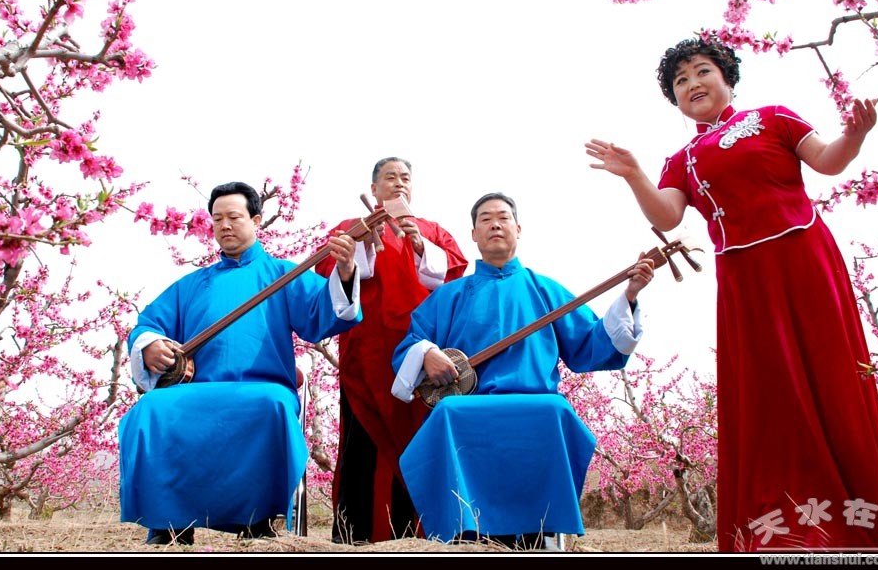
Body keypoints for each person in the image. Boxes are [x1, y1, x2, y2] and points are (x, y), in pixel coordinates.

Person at [584, 37, 878, 552]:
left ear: (728, 79)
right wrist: (634, 175)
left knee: (831, 375)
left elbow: (828, 161)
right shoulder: (682, 159)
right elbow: (666, 216)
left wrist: (854, 134)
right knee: (767, 391)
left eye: (702, 71)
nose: (692, 84)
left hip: (804, 260)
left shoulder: (775, 119)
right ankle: (787, 525)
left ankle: (860, 524)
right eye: (680, 81)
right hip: (744, 279)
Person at [390, 192, 655, 549]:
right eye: (485, 219)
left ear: (518, 228)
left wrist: (630, 296)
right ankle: (463, 534)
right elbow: (411, 343)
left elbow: (589, 344)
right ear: (473, 234)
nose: (495, 225)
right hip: (468, 405)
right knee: (448, 412)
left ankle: (543, 533)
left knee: (555, 409)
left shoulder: (545, 290)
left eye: (503, 217)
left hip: (535, 401)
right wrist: (426, 353)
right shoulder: (449, 295)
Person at [119, 181, 362, 546]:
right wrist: (150, 345)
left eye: (233, 216)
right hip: (198, 389)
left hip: (262, 386)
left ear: (256, 220)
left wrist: (343, 273)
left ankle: (257, 521)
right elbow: (148, 324)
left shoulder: (284, 274)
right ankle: (169, 524)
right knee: (151, 408)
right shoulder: (192, 284)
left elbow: (323, 314)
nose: (225, 225)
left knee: (272, 405)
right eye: (217, 219)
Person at [314, 157, 468, 544]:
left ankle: (419, 534)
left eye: (405, 178)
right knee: (363, 440)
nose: (399, 183)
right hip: (364, 353)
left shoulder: (432, 230)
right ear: (374, 188)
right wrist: (361, 243)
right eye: (389, 177)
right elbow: (326, 269)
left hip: (420, 353)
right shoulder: (353, 226)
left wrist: (421, 246)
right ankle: (355, 534)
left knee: (418, 438)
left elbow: (455, 275)